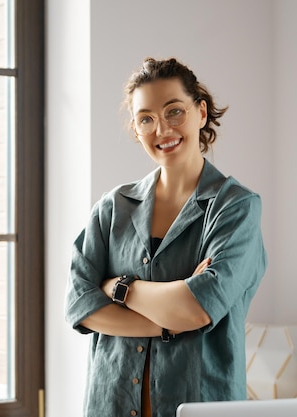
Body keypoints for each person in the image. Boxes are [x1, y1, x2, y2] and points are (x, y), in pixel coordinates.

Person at [64, 57, 267, 417]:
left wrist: (117, 288)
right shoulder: (112, 208)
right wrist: (171, 319)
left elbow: (196, 307)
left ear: (200, 112)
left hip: (202, 405)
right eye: (146, 119)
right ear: (136, 129)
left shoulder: (236, 208)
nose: (162, 130)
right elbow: (80, 305)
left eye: (174, 112)